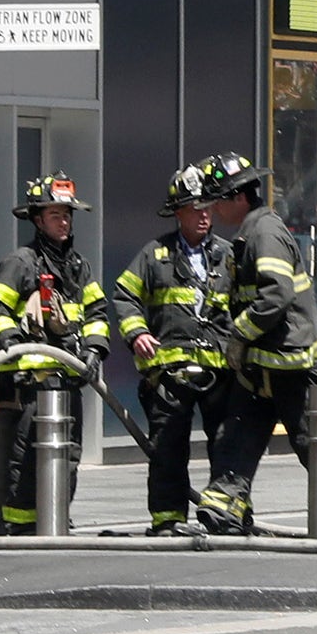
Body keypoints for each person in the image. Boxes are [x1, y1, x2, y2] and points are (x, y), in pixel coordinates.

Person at [192, 151, 317, 534]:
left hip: (293, 365)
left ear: (238, 197)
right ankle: (223, 510)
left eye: (217, 201)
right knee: (235, 435)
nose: (214, 211)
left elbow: (275, 295)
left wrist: (240, 333)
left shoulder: (264, 233)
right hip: (264, 367)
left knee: (312, 441)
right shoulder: (249, 232)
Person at [0, 174, 110, 534]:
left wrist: (95, 349)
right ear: (38, 220)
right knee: (26, 460)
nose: (64, 221)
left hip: (69, 382)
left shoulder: (78, 267)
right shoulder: (21, 262)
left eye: (67, 214)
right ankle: (21, 527)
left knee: (68, 458)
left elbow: (98, 313)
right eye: (56, 215)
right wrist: (10, 335)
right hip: (31, 387)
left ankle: (56, 521)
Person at [112, 166, 234, 535]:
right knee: (168, 447)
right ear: (178, 212)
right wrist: (137, 334)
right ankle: (168, 519)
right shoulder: (155, 255)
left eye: (208, 208)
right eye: (195, 209)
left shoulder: (230, 256)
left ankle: (224, 515)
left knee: (228, 446)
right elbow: (125, 295)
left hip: (221, 371)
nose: (204, 216)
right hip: (169, 373)